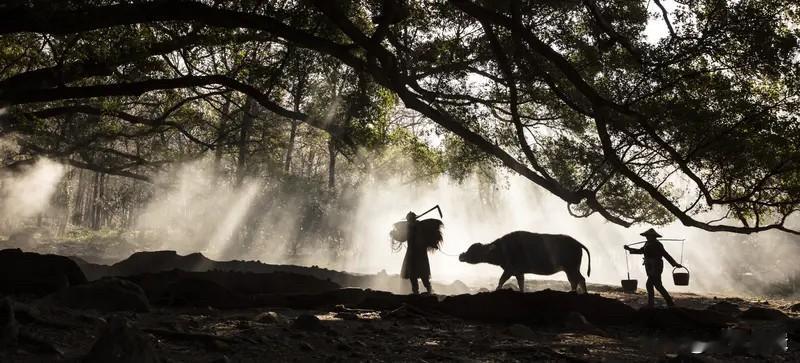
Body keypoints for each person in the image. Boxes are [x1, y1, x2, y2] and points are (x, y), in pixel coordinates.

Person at [624, 228, 682, 308]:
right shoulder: (647, 243)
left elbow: (665, 254)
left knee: (650, 285)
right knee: (657, 285)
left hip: (656, 266)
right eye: (646, 236)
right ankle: (666, 303)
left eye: (648, 236)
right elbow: (641, 251)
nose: (646, 237)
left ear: (653, 236)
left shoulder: (658, 244)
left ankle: (654, 304)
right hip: (649, 266)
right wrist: (629, 249)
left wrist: (674, 263)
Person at [400, 211, 433, 294]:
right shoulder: (409, 227)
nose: (409, 221)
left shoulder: (419, 227)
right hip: (411, 254)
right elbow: (403, 237)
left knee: (423, 274)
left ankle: (429, 290)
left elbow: (422, 239)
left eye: (409, 219)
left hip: (420, 255)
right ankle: (416, 292)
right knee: (412, 275)